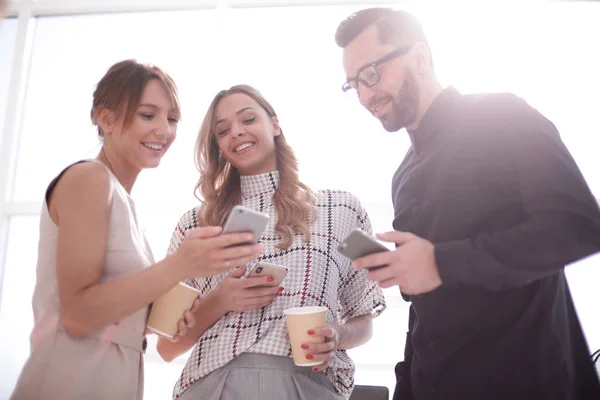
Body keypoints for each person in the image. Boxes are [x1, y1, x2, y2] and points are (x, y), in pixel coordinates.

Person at [335, 7, 600, 400]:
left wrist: (441, 262)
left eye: (371, 74)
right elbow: (425, 307)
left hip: (525, 382)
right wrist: (406, 385)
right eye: (354, 84)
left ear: (420, 57)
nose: (365, 95)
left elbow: (577, 226)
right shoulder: (404, 175)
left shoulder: (502, 116)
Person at [10, 60, 262, 400]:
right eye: (148, 115)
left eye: (172, 119)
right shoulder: (89, 179)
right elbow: (77, 317)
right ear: (107, 118)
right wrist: (182, 264)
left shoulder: (126, 206)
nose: (164, 130)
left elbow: (110, 313)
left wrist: (160, 317)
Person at [156, 84, 386, 400]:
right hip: (213, 386)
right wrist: (221, 300)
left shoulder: (343, 209)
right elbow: (167, 346)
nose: (236, 132)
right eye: (222, 131)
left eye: (248, 119)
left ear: (274, 125)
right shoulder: (194, 225)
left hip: (309, 385)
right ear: (218, 146)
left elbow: (366, 312)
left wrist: (338, 335)